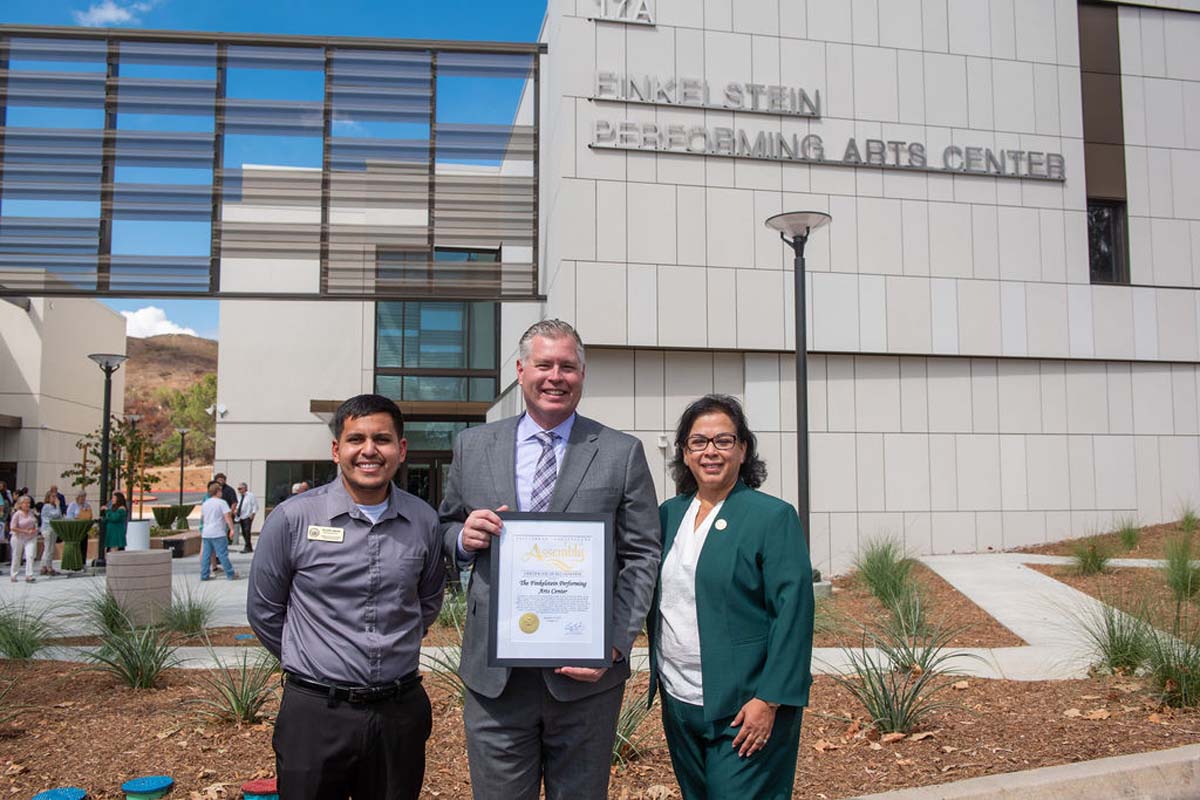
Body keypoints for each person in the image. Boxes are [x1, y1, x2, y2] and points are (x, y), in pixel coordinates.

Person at [439, 319, 661, 800]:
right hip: (495, 680)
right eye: (544, 365)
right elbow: (445, 526)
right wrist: (462, 538)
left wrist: (614, 643)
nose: (555, 377)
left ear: (582, 375)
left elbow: (642, 553)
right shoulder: (472, 446)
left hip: (585, 680)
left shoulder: (621, 452)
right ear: (521, 371)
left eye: (568, 367)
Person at [249, 394, 444, 800]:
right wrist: (314, 657)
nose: (369, 450)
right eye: (356, 439)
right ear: (337, 450)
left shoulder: (424, 521)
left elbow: (427, 602)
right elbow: (264, 610)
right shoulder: (292, 518)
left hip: (399, 714)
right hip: (315, 715)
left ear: (401, 449)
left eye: (382, 439)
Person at [649, 394, 814, 800]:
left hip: (745, 706)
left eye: (723, 440)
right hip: (679, 699)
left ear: (742, 449)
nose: (710, 451)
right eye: (698, 442)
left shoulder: (771, 517)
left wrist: (769, 700)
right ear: (684, 453)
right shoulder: (668, 514)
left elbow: (793, 615)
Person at [199, 481, 237, 582]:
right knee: (222, 554)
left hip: (206, 533)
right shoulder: (222, 503)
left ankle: (204, 575)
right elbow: (227, 517)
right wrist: (232, 529)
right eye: (220, 490)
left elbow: (202, 518)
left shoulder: (205, 503)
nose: (222, 493)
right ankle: (230, 574)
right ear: (218, 491)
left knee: (206, 555)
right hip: (218, 532)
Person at [9, 495, 39, 583]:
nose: (27, 505)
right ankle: (14, 574)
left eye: (28, 503)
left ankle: (29, 575)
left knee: (30, 555)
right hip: (18, 537)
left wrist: (35, 529)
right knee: (16, 556)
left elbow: (35, 523)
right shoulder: (17, 514)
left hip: (30, 537)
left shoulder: (31, 513)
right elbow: (12, 527)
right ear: (21, 504)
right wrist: (25, 531)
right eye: (25, 503)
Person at [39, 488, 63, 576]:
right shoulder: (47, 506)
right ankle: (47, 567)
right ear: (48, 498)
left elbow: (60, 516)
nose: (55, 498)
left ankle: (45, 566)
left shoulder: (53, 507)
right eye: (53, 497)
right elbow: (56, 514)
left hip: (53, 529)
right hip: (48, 529)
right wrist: (58, 505)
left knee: (50, 548)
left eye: (56, 497)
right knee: (48, 548)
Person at [235, 482, 258, 553]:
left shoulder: (250, 495)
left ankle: (247, 547)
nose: (239, 490)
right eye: (238, 489)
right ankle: (249, 546)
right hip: (240, 516)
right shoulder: (239, 497)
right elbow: (238, 505)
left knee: (247, 531)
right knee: (244, 532)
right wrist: (236, 510)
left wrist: (253, 514)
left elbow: (255, 505)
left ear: (245, 488)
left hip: (247, 516)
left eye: (240, 488)